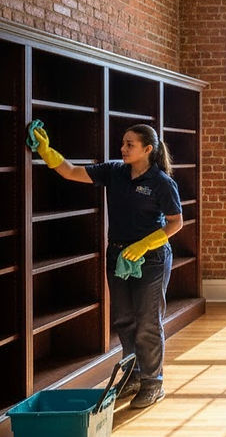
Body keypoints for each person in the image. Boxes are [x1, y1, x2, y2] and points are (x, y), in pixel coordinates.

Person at [32, 123, 182, 408]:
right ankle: (133, 376)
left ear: (147, 149)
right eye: (123, 143)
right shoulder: (114, 171)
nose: (122, 148)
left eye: (129, 145)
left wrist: (144, 245)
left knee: (148, 323)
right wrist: (46, 150)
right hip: (117, 256)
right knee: (124, 320)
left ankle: (153, 383)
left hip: (150, 259)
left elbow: (176, 223)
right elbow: (71, 171)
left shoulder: (161, 182)